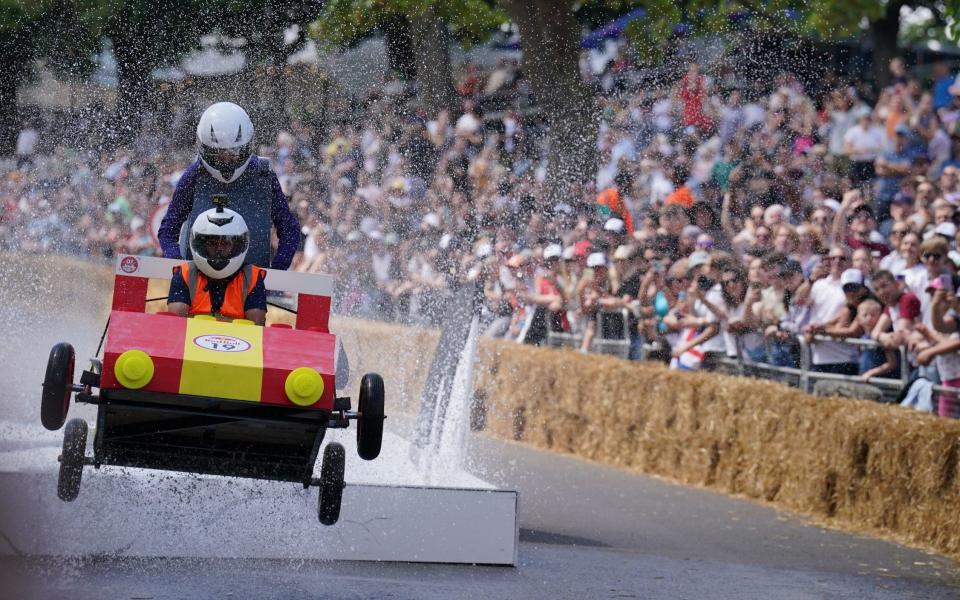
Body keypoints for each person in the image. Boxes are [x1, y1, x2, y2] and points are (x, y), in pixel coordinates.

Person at [158, 102, 301, 270]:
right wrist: (179, 268)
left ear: (246, 147)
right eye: (218, 154)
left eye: (233, 154)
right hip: (197, 278)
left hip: (251, 281)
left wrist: (277, 270)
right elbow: (168, 230)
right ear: (203, 148)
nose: (226, 160)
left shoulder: (264, 175)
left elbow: (290, 229)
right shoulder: (194, 174)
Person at [167, 204, 267, 325]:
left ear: (236, 245)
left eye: (225, 243)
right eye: (213, 243)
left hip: (238, 340)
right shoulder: (184, 273)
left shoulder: (253, 277)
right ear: (202, 244)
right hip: (191, 340)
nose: (219, 249)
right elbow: (176, 323)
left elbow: (257, 327)